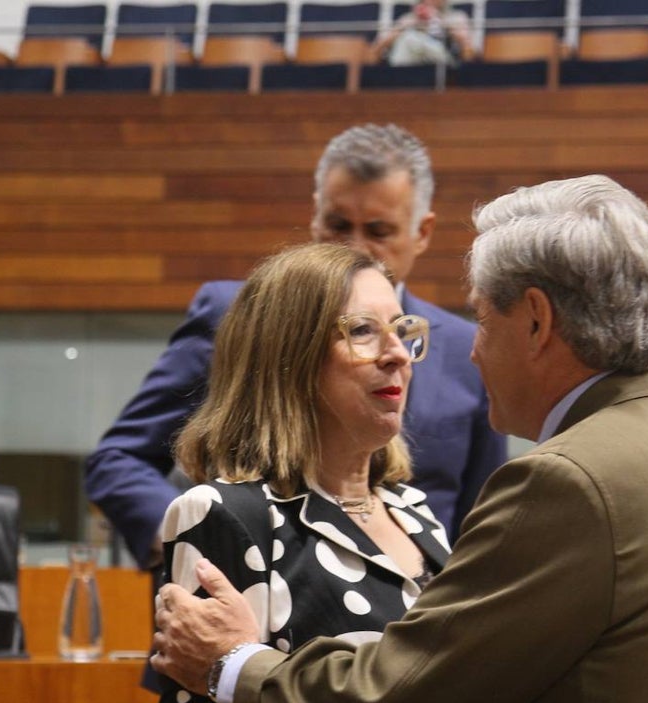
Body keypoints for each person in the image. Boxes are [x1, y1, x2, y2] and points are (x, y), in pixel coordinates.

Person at [152, 175, 648, 703]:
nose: (468, 350)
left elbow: (404, 694)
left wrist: (233, 665)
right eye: (365, 331)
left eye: (483, 320)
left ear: (538, 322)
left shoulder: (565, 484)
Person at [85, 124, 505, 572]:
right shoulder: (239, 317)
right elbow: (119, 459)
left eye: (378, 230)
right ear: (314, 216)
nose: (354, 247)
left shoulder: (467, 350)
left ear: (422, 232)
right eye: (338, 225)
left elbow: (480, 524)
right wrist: (195, 542)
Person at [154, 242, 450, 703]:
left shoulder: (416, 513)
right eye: (362, 331)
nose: (399, 354)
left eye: (402, 330)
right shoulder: (228, 514)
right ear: (289, 356)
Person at [371, 0, 474, 67]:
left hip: (443, 63)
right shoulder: (408, 17)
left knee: (409, 39)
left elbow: (468, 47)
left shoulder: (456, 16)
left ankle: (397, 79)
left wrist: (440, 21)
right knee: (407, 39)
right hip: (410, 64)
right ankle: (398, 82)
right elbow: (378, 47)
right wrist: (405, 26)